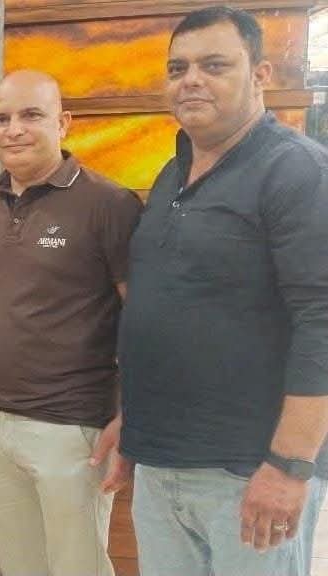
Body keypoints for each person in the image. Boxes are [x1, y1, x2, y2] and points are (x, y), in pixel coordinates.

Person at [118, 6, 328, 575]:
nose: (191, 80)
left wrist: (290, 465)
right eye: (178, 68)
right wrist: (131, 422)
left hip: (250, 472)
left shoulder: (297, 172)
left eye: (214, 65)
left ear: (260, 75)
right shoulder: (171, 174)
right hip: (162, 463)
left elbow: (321, 323)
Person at [0, 70, 142, 576]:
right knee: (18, 565)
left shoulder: (109, 204)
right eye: (1, 119)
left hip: (73, 429)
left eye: (31, 115)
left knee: (78, 567)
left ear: (63, 123)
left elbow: (141, 318)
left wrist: (132, 414)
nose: (14, 130)